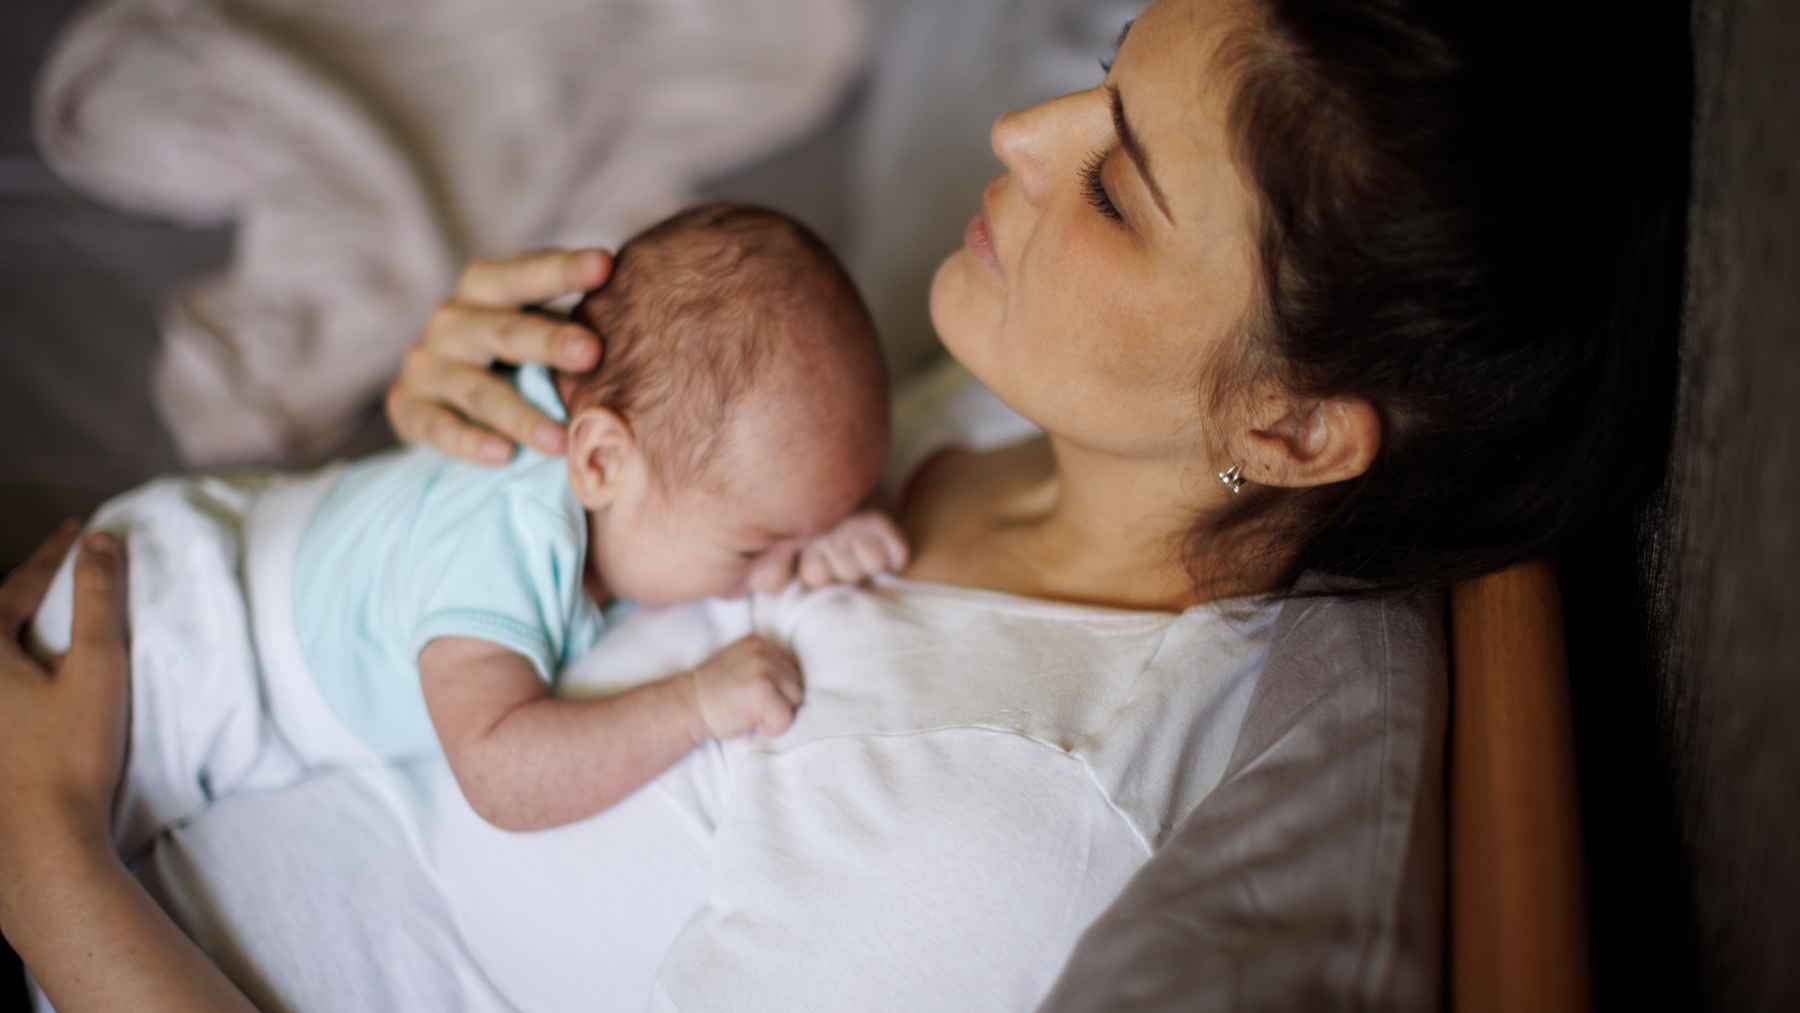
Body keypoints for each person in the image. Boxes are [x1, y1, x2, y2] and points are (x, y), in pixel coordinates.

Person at [0, 0, 1662, 1008]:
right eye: (1098, 67)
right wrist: (492, 425)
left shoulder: (993, 829)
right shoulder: (1024, 409)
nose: (1017, 135)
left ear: (1292, 426)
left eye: (1117, 186)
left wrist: (46, 854)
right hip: (182, 744)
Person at [26, 202, 908, 851]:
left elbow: (753, 488)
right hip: (184, 654)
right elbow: (501, 770)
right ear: (600, 462)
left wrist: (817, 537)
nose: (772, 571)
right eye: (758, 547)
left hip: (219, 544)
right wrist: (693, 703)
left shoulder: (633, 463)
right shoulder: (509, 540)